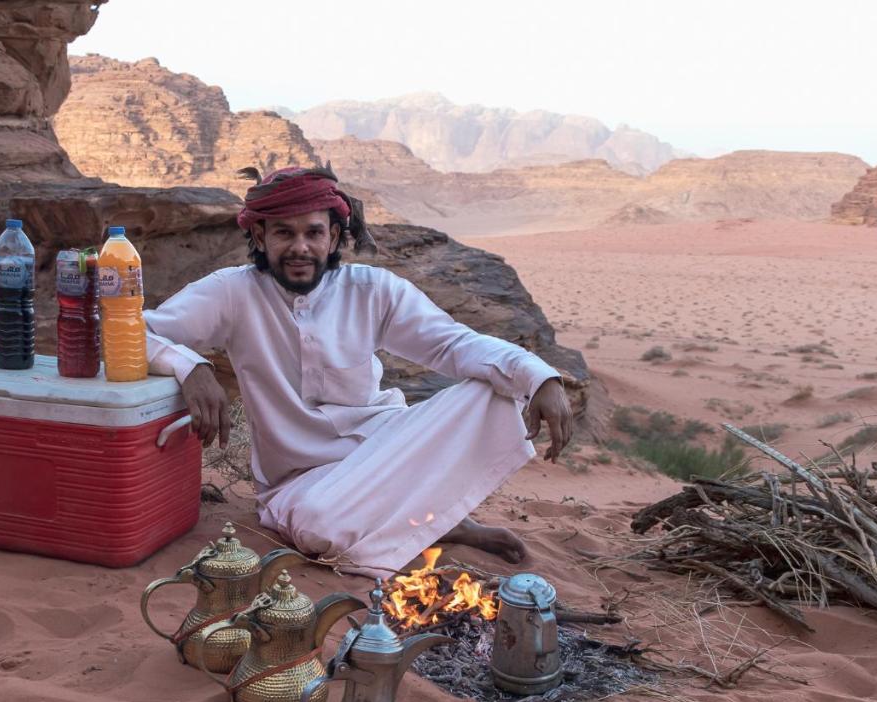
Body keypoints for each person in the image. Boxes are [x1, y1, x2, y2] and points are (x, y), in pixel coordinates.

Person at [144, 165, 572, 578]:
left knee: (494, 387)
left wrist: (540, 377)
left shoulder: (373, 290)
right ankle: (437, 522)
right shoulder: (231, 292)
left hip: (385, 450)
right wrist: (190, 366)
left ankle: (431, 520)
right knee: (318, 528)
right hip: (304, 480)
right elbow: (132, 331)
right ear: (260, 235)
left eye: (313, 233)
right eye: (283, 233)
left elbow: (453, 344)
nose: (300, 247)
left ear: (332, 237)